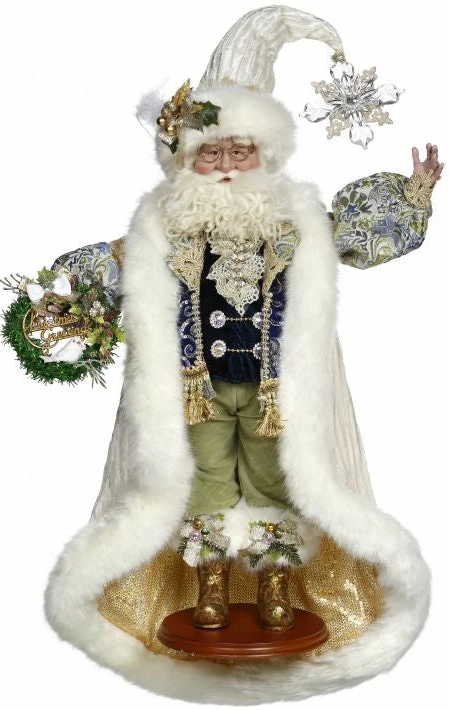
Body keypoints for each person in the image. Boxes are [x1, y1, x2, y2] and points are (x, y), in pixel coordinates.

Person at [30, 5, 442, 705]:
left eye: (238, 153)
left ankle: (277, 583)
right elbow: (101, 270)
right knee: (204, 485)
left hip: (278, 392)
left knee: (278, 483)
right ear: (185, 162)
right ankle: (211, 585)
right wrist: (59, 301)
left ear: (265, 155)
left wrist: (411, 197)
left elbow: (358, 238)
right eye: (210, 155)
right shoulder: (164, 227)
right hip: (195, 389)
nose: (225, 167)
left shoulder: (294, 222)